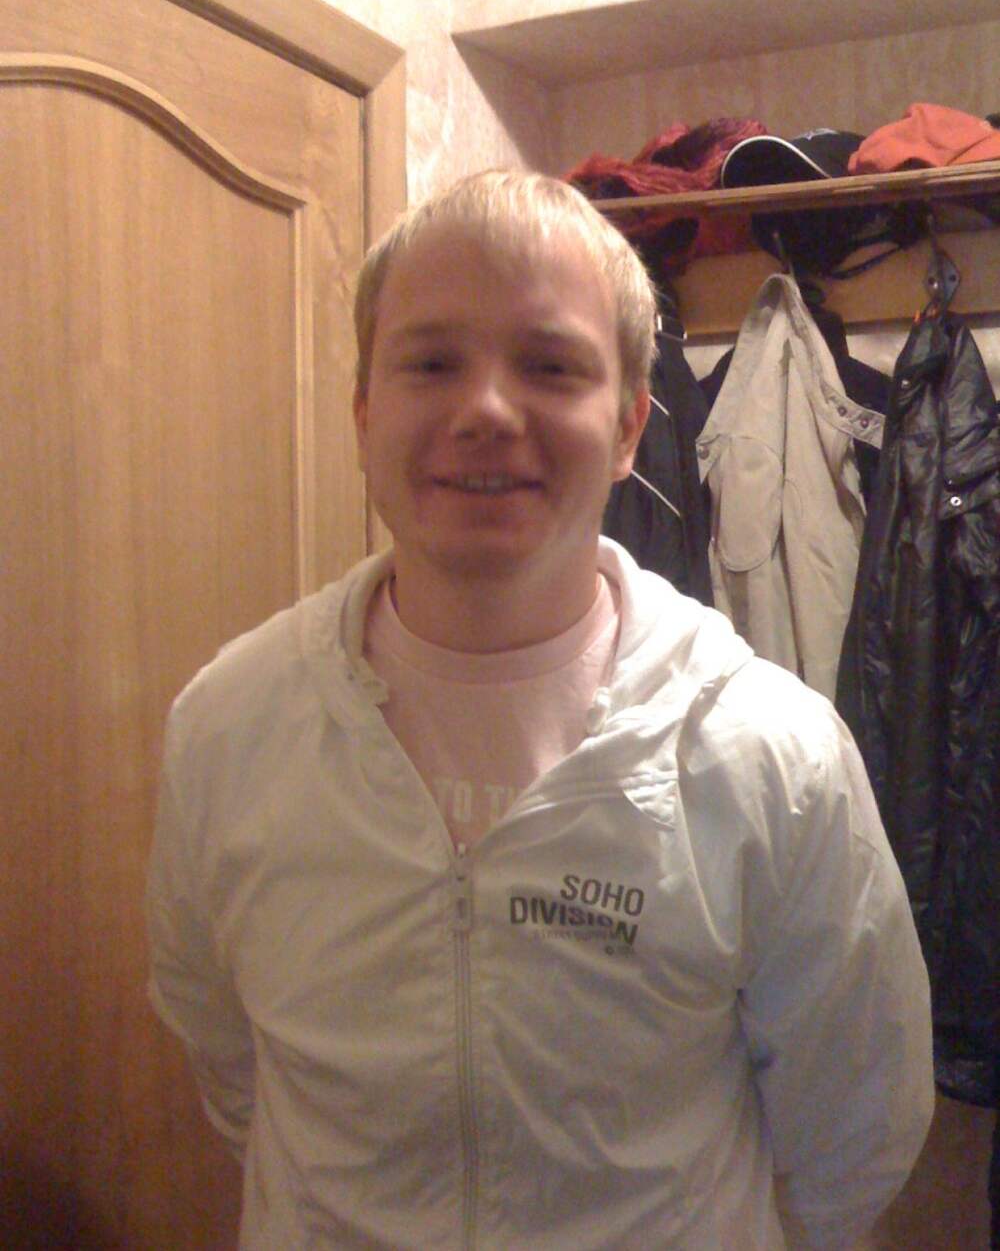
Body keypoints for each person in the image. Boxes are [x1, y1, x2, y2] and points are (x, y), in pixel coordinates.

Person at [146, 170, 934, 1250]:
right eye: (432, 362)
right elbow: (233, 1066)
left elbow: (851, 1133)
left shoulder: (769, 755)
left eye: (550, 365)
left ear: (629, 426)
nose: (483, 410)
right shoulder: (228, 727)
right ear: (365, 412)